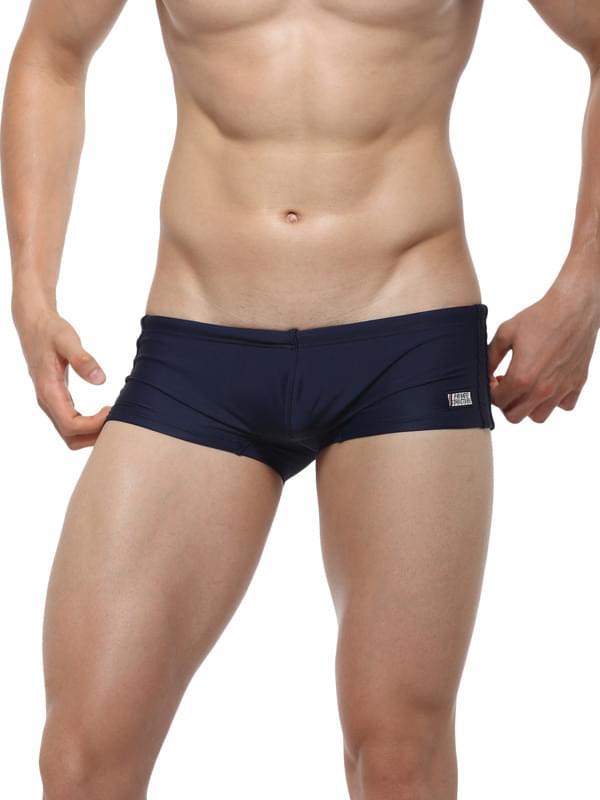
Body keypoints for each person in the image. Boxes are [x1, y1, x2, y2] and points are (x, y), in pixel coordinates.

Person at [2, 1, 599, 797]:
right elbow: (53, 54)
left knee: (399, 756)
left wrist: (584, 286)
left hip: (406, 338)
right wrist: (31, 292)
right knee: (81, 760)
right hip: (198, 343)